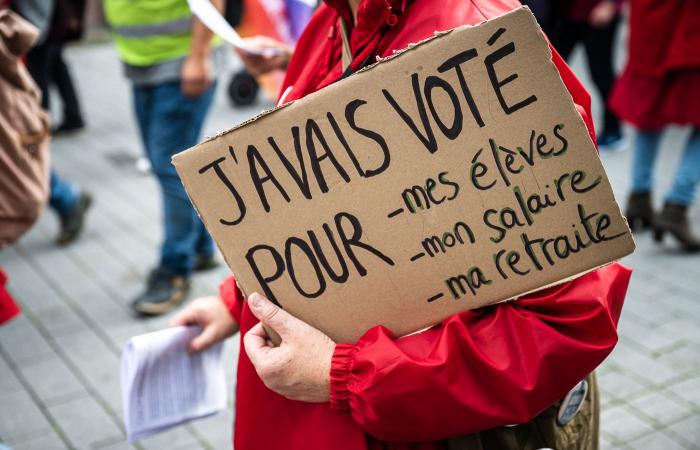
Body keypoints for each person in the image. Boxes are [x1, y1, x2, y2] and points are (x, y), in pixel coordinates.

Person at [171, 1, 632, 449]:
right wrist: (236, 302)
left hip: (439, 431)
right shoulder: (331, 21)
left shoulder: (480, 37)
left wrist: (346, 375)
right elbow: (315, 217)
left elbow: (564, 323)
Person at [103, 0, 224, 315]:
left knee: (169, 168)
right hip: (143, 63)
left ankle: (174, 269)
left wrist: (199, 56)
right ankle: (199, 247)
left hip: (180, 61)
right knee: (169, 167)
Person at [610, 0, 700, 252]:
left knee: (650, 112)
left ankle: (640, 196)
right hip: (687, 29)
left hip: (653, 27)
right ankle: (676, 206)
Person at [548, 0, 623, 151]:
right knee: (551, 71)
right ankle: (551, 127)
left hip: (596, 13)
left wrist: (611, 4)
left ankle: (613, 130)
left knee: (601, 74)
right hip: (566, 13)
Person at [25, 0, 87, 135]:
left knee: (39, 74)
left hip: (42, 26)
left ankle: (42, 125)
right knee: (57, 68)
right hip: (52, 22)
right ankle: (73, 116)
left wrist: (40, 29)